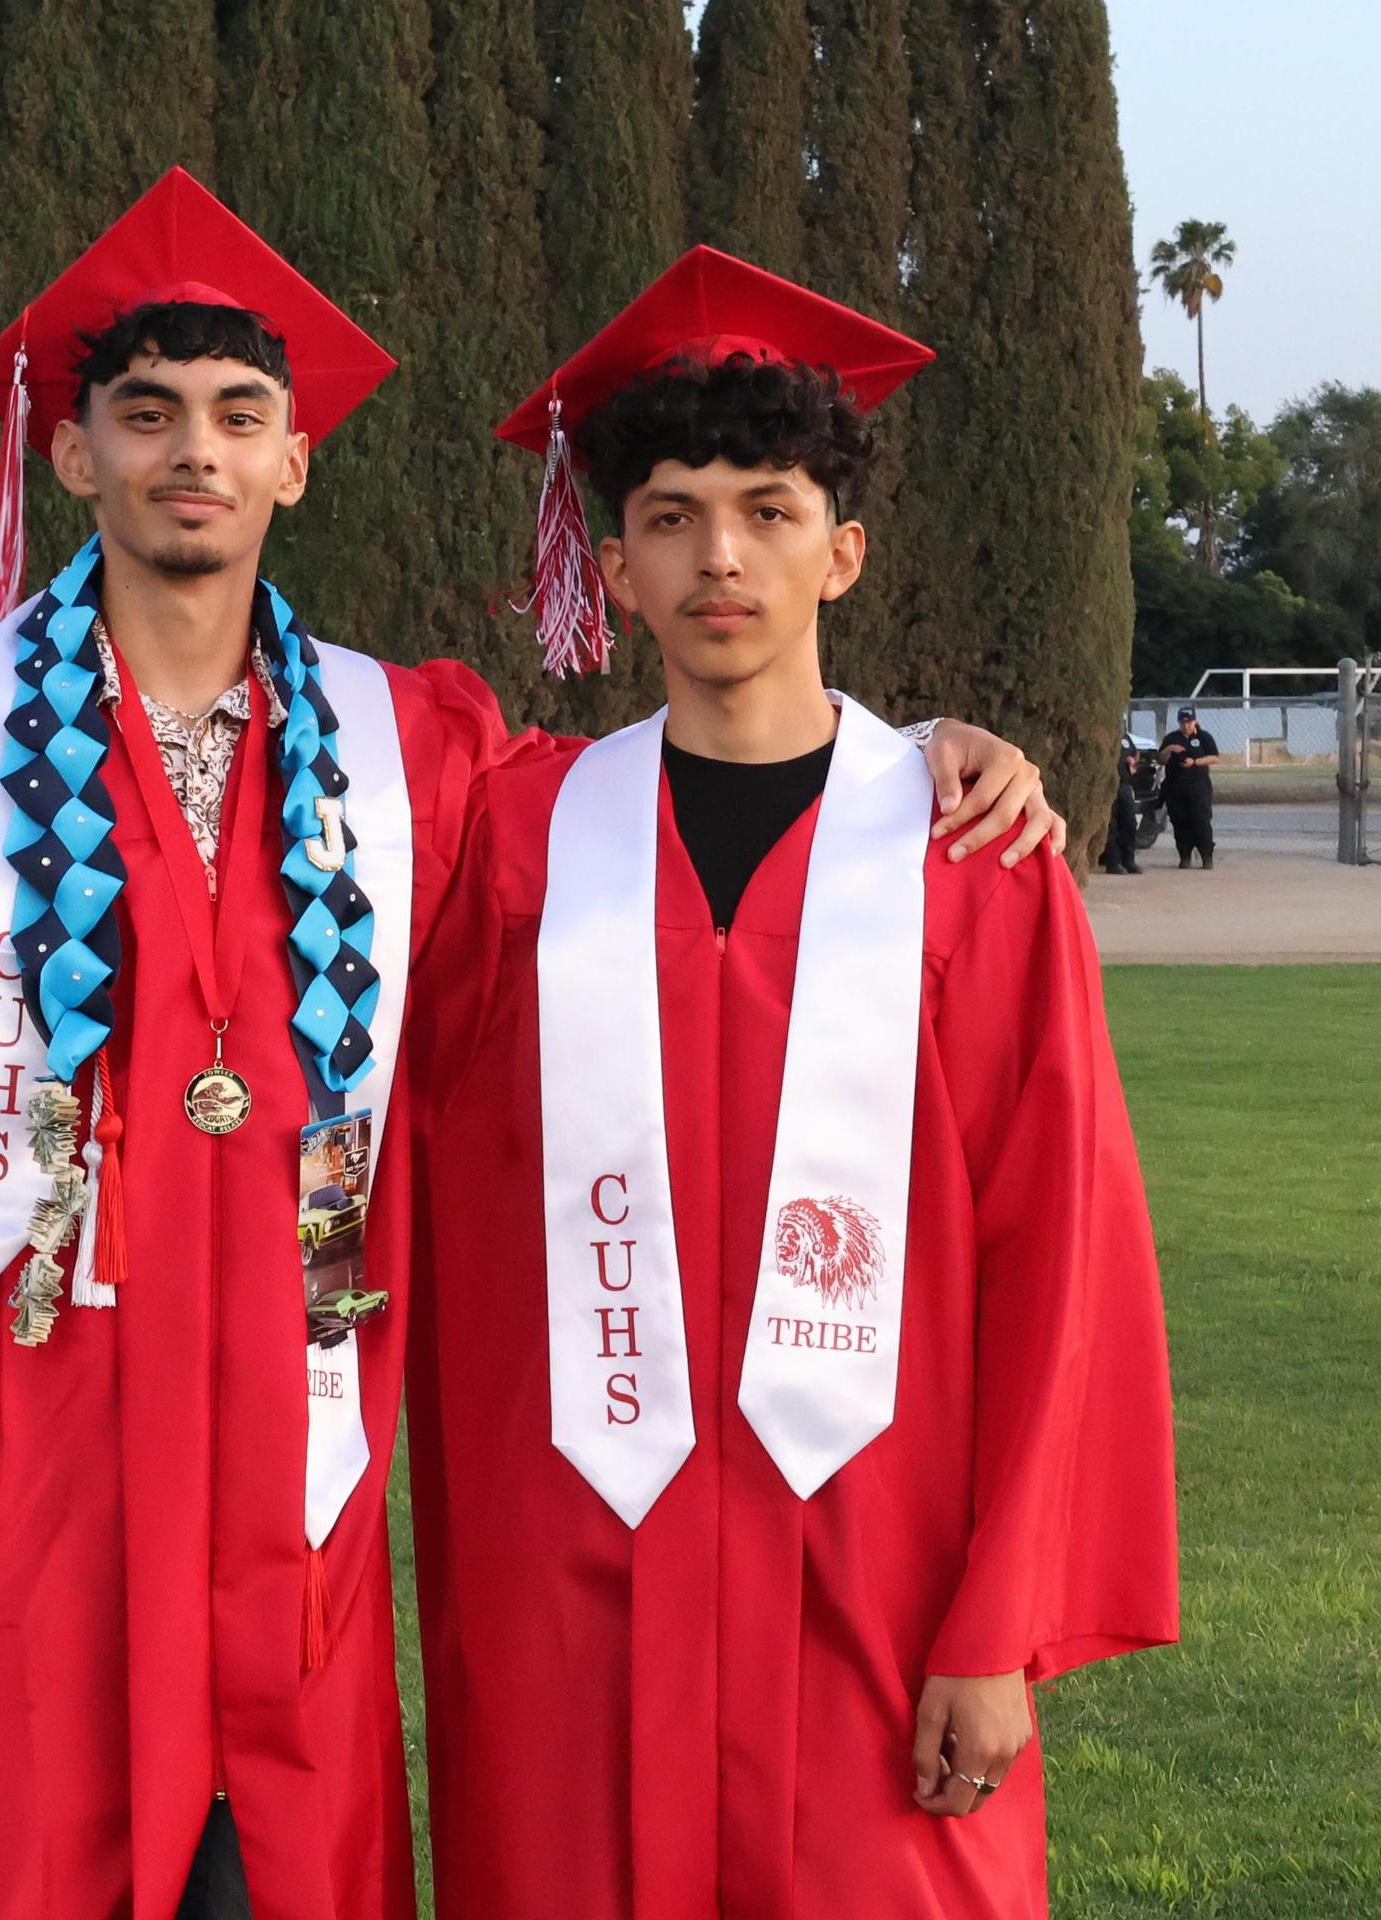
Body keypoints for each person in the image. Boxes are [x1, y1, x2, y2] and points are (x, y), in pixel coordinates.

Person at [0, 174, 1057, 1920]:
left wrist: (925, 761)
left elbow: (680, 812)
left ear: (295, 460)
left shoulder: (409, 753)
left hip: (286, 1496)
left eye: (236, 416)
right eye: (143, 417)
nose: (190, 455)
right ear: (73, 456)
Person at [404, 247, 1178, 1920]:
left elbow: (1060, 1265)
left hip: (880, 1588)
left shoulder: (971, 858)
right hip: (574, 1581)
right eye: (672, 515)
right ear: (610, 566)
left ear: (847, 548)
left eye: (768, 507)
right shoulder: (516, 846)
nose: (721, 555)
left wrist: (1003, 1624)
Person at [1161, 704, 1221, 867]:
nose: (1186, 726)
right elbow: (1162, 759)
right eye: (1182, 723)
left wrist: (1195, 762)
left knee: (1201, 820)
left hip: (1199, 786)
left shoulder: (1203, 737)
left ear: (1195, 721)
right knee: (1180, 822)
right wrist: (1170, 749)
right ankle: (1184, 855)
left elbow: (1215, 758)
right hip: (1176, 787)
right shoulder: (1172, 738)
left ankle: (1206, 856)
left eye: (1189, 722)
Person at [1101, 741, 1142, 874]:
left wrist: (1133, 761)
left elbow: (1135, 753)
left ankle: (1129, 860)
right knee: (1112, 826)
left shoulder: (1124, 737)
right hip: (1107, 785)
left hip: (1124, 785)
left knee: (1129, 823)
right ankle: (1113, 863)